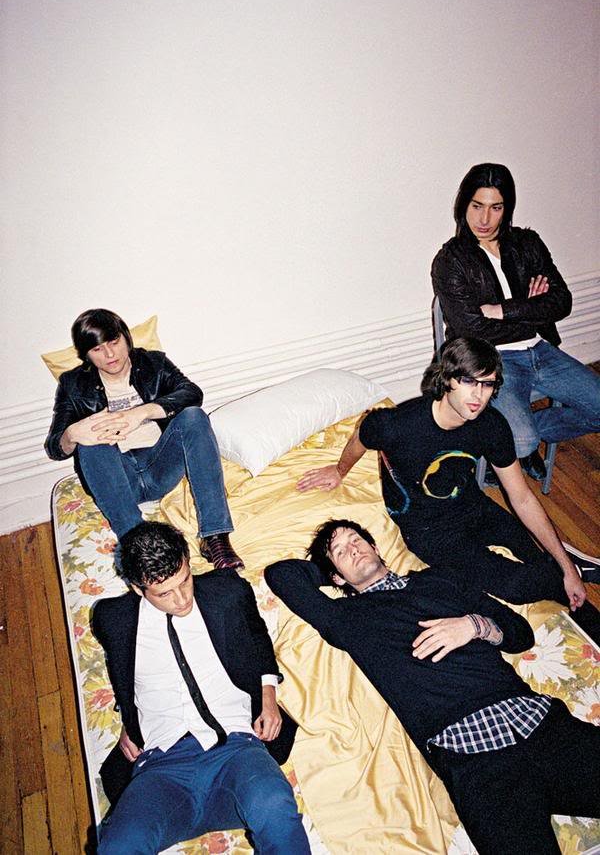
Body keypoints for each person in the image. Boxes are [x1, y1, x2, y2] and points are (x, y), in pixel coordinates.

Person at [265, 520, 600, 855]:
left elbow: (520, 634)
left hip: (540, 724)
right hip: (477, 762)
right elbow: (281, 575)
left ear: (376, 547)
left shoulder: (442, 580)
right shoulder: (346, 618)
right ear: (336, 578)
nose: (353, 548)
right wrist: (336, 570)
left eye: (357, 540)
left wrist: (473, 626)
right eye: (340, 552)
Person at [296, 337, 600, 640]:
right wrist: (339, 470)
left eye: (488, 384)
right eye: (468, 381)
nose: (478, 395)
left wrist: (565, 567)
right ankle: (569, 570)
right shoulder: (397, 425)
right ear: (447, 379)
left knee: (548, 564)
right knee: (517, 587)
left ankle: (575, 579)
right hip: (430, 534)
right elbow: (363, 434)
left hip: (474, 507)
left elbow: (521, 497)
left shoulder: (491, 425)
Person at [92, 521, 309, 854]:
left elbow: (258, 637)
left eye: (185, 580)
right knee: (117, 846)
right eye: (164, 593)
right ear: (137, 588)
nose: (181, 600)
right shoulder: (112, 618)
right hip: (162, 769)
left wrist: (268, 693)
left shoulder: (228, 590)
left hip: (237, 751)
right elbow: (121, 671)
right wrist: (129, 718)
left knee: (275, 806)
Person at [431, 162, 600, 479]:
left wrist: (502, 310)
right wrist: (533, 308)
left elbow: (562, 302)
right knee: (523, 442)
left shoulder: (528, 243)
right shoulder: (450, 260)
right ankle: (515, 441)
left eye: (495, 208)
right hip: (492, 360)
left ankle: (492, 437)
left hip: (541, 350)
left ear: (506, 209)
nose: (484, 219)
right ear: (463, 206)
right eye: (477, 206)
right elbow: (471, 329)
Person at [45, 308, 242, 569]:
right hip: (116, 477)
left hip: (160, 465)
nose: (110, 354)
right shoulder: (73, 383)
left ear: (126, 337)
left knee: (194, 416)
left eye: (114, 342)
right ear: (87, 355)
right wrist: (72, 434)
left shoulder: (153, 363)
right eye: (97, 349)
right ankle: (137, 543)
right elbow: (54, 447)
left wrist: (141, 413)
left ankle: (215, 537)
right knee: (90, 443)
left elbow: (192, 393)